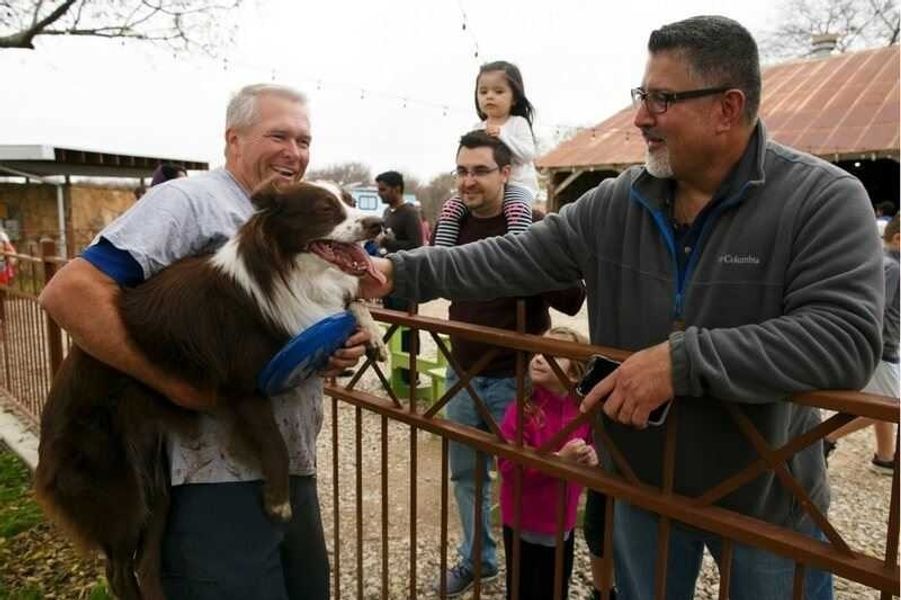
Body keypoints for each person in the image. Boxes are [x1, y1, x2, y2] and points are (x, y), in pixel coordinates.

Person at [361, 16, 883, 600]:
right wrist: (398, 271)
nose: (640, 117)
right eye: (643, 96)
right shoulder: (616, 202)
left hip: (766, 499)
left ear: (727, 108)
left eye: (662, 99)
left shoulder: (823, 198)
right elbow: (508, 257)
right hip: (640, 489)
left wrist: (681, 363)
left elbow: (846, 339)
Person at [39, 83, 371, 600]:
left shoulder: (298, 213)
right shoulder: (189, 202)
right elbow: (70, 292)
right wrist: (174, 383)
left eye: (304, 140)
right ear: (233, 140)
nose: (294, 152)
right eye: (278, 135)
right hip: (207, 481)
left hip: (286, 461)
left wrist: (330, 347)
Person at [431, 130, 585, 597]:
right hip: (463, 375)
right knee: (466, 476)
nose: (468, 181)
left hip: (516, 379)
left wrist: (529, 264)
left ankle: (535, 571)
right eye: (461, 170)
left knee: (528, 475)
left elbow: (574, 298)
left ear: (505, 173)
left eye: (479, 170)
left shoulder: (532, 226)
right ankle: (479, 559)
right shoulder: (453, 226)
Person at [498, 326, 598, 600]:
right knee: (521, 588)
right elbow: (508, 467)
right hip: (523, 521)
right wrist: (557, 461)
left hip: (561, 524)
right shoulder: (521, 410)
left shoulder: (584, 412)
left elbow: (593, 449)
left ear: (575, 373)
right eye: (538, 350)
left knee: (555, 588)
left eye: (551, 354)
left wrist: (591, 457)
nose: (539, 358)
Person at [824, 213, 899, 474]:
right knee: (890, 405)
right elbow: (878, 307)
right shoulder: (894, 268)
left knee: (882, 400)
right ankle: (826, 438)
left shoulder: (887, 262)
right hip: (883, 346)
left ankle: (885, 457)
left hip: (882, 345)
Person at [432, 61, 536, 247]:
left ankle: (518, 254)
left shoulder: (517, 123)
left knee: (517, 210)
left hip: (518, 185)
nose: (490, 97)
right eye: (483, 91)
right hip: (490, 190)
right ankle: (441, 255)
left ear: (514, 98)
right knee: (450, 208)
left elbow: (528, 155)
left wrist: (503, 136)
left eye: (498, 91)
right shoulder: (478, 127)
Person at [376, 170, 423, 385]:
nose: (380, 193)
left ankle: (410, 376)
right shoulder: (388, 213)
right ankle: (396, 371)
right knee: (393, 326)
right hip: (388, 278)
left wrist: (388, 243)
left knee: (407, 329)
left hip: (406, 279)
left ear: (397, 188)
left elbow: (416, 246)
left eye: (383, 189)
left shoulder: (410, 213)